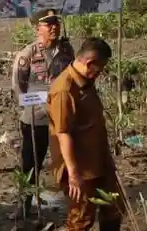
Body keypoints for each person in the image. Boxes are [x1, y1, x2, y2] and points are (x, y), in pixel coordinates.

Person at [49, 37, 119, 231]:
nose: (100, 73)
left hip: (98, 160)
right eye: (99, 69)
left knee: (113, 209)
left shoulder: (86, 81)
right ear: (89, 63)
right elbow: (63, 133)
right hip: (80, 168)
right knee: (81, 219)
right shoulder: (64, 90)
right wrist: (73, 174)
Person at [13, 9, 75, 215]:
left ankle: (72, 203)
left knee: (65, 159)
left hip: (61, 116)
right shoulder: (27, 54)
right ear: (37, 28)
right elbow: (19, 86)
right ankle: (24, 206)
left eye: (56, 22)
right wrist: (35, 104)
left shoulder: (67, 51)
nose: (54, 27)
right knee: (31, 164)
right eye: (48, 24)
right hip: (35, 118)